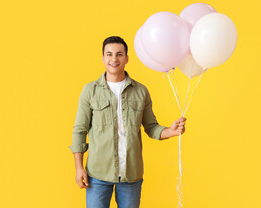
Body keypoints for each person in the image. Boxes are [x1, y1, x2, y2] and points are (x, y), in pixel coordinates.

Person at [69, 36, 186, 208]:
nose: (114, 59)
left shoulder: (141, 91)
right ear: (103, 58)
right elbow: (79, 130)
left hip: (131, 175)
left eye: (119, 54)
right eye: (109, 54)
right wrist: (79, 168)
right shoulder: (90, 91)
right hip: (97, 174)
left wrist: (171, 130)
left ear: (126, 58)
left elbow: (151, 127)